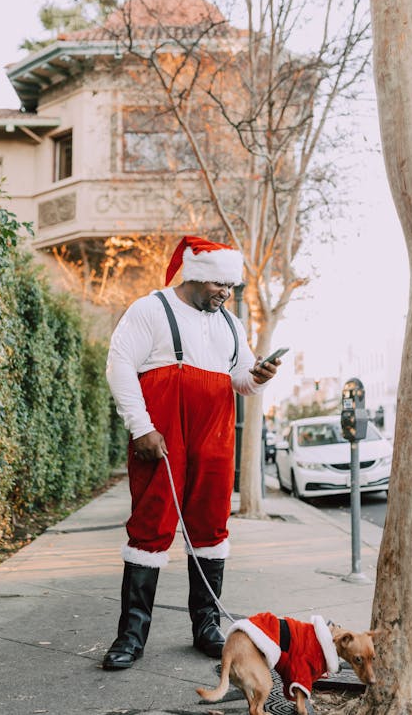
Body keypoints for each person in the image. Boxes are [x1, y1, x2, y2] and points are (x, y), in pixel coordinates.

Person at [103, 235, 280, 671]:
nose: (227, 294)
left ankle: (206, 626)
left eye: (232, 287)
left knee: (211, 523)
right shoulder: (151, 309)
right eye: (221, 285)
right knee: (151, 522)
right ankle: (131, 635)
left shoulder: (230, 325)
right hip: (162, 431)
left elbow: (239, 379)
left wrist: (260, 376)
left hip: (214, 434)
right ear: (198, 276)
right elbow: (119, 364)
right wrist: (141, 427)